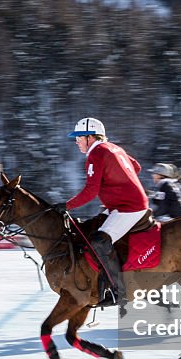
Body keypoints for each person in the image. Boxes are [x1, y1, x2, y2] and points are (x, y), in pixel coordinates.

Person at [57, 118, 149, 306]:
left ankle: (118, 291)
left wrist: (66, 206)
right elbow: (136, 167)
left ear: (90, 137)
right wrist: (117, 185)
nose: (77, 142)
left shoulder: (96, 153)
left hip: (129, 207)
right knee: (92, 231)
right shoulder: (113, 148)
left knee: (99, 242)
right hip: (122, 204)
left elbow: (90, 192)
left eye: (79, 138)